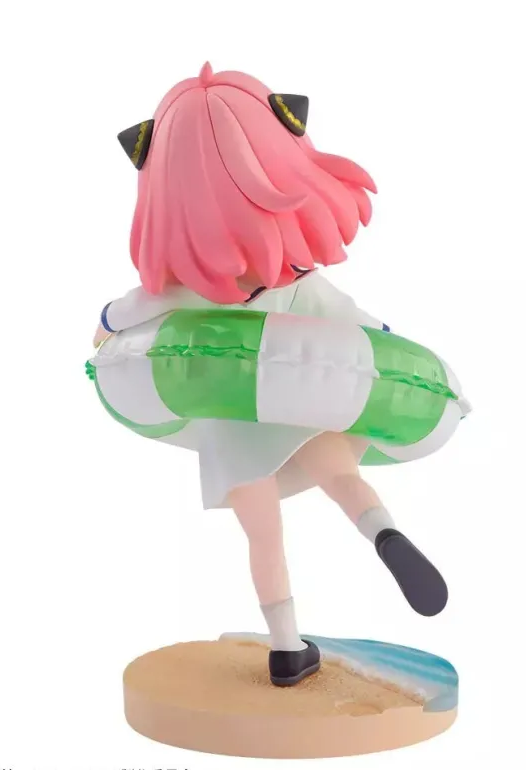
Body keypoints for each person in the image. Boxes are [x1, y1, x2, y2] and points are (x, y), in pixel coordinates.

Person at [93, 63, 447, 686]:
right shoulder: (296, 280)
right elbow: (361, 329)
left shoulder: (174, 291)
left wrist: (104, 341)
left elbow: (113, 323)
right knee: (340, 473)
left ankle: (287, 650)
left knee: (264, 538)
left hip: (230, 429)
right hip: (304, 402)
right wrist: (392, 352)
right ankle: (383, 532)